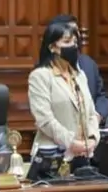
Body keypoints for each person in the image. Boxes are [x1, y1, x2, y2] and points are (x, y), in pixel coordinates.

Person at [28, 22, 100, 163]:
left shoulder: (79, 75)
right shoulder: (40, 76)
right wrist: (72, 142)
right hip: (53, 155)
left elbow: (91, 113)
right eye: (67, 42)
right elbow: (45, 120)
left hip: (84, 155)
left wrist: (91, 139)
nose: (73, 46)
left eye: (74, 41)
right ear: (52, 47)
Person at [49, 14, 108, 123]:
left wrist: (98, 116)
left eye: (76, 32)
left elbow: (102, 96)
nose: (75, 38)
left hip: (91, 131)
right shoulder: (44, 70)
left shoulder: (88, 65)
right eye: (68, 36)